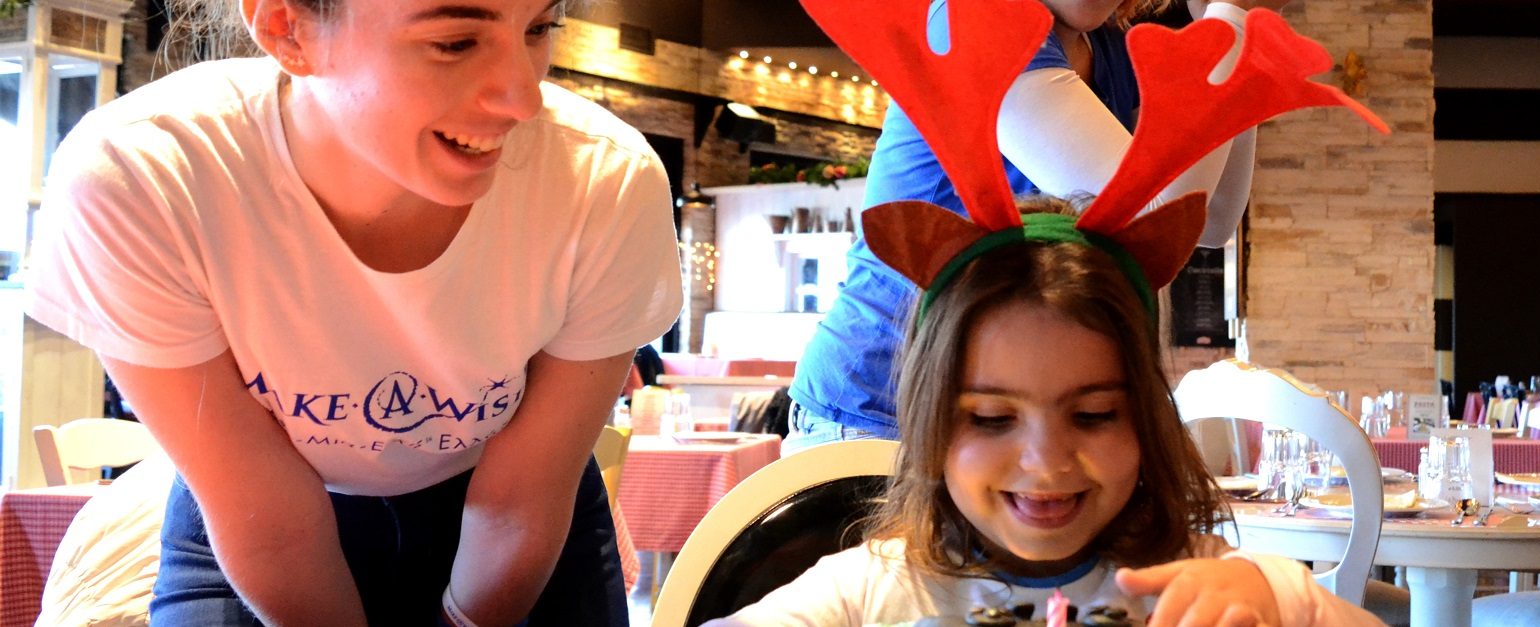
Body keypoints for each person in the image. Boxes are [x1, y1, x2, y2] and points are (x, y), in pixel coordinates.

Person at [23, 0, 682, 625]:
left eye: (539, 28)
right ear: (287, 28)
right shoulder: (146, 176)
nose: (523, 99)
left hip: (514, 510)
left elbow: (521, 500)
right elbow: (270, 516)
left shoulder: (602, 182)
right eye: (455, 42)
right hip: (255, 522)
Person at [707, 197, 1383, 626]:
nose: (1046, 461)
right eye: (991, 419)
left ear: (1145, 420)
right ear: (931, 424)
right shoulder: (865, 593)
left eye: (1093, 415)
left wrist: (1283, 596)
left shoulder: (1196, 585)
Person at [785, 0, 1283, 454]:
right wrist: (1231, 22)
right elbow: (1150, 212)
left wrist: (1233, 33)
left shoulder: (1106, 48)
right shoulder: (973, 18)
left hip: (991, 409)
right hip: (880, 409)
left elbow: (1209, 220)